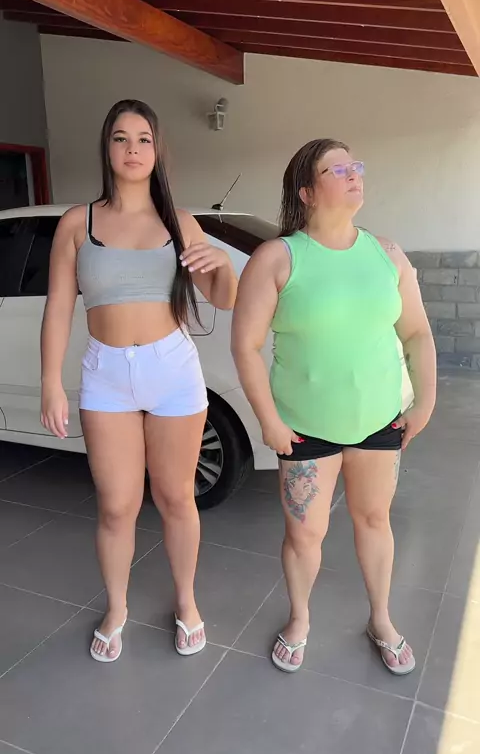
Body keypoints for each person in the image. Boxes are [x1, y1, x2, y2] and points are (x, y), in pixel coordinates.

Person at [41, 99, 237, 663]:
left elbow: (222, 298)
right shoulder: (78, 223)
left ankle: (186, 602)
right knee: (116, 506)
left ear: (157, 150)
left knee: (176, 497)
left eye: (143, 139)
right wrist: (50, 381)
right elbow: (59, 308)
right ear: (107, 148)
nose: (132, 149)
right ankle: (117, 608)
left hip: (171, 370)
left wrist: (222, 266)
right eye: (121, 138)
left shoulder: (180, 223)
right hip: (105, 374)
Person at [231, 139, 436, 675]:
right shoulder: (278, 258)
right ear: (306, 191)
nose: (353, 174)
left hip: (378, 421)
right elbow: (245, 346)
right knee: (305, 534)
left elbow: (416, 333)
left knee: (375, 519)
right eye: (336, 169)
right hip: (304, 430)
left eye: (355, 166)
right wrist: (269, 421)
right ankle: (299, 618)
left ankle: (381, 618)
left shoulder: (387, 254)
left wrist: (426, 401)